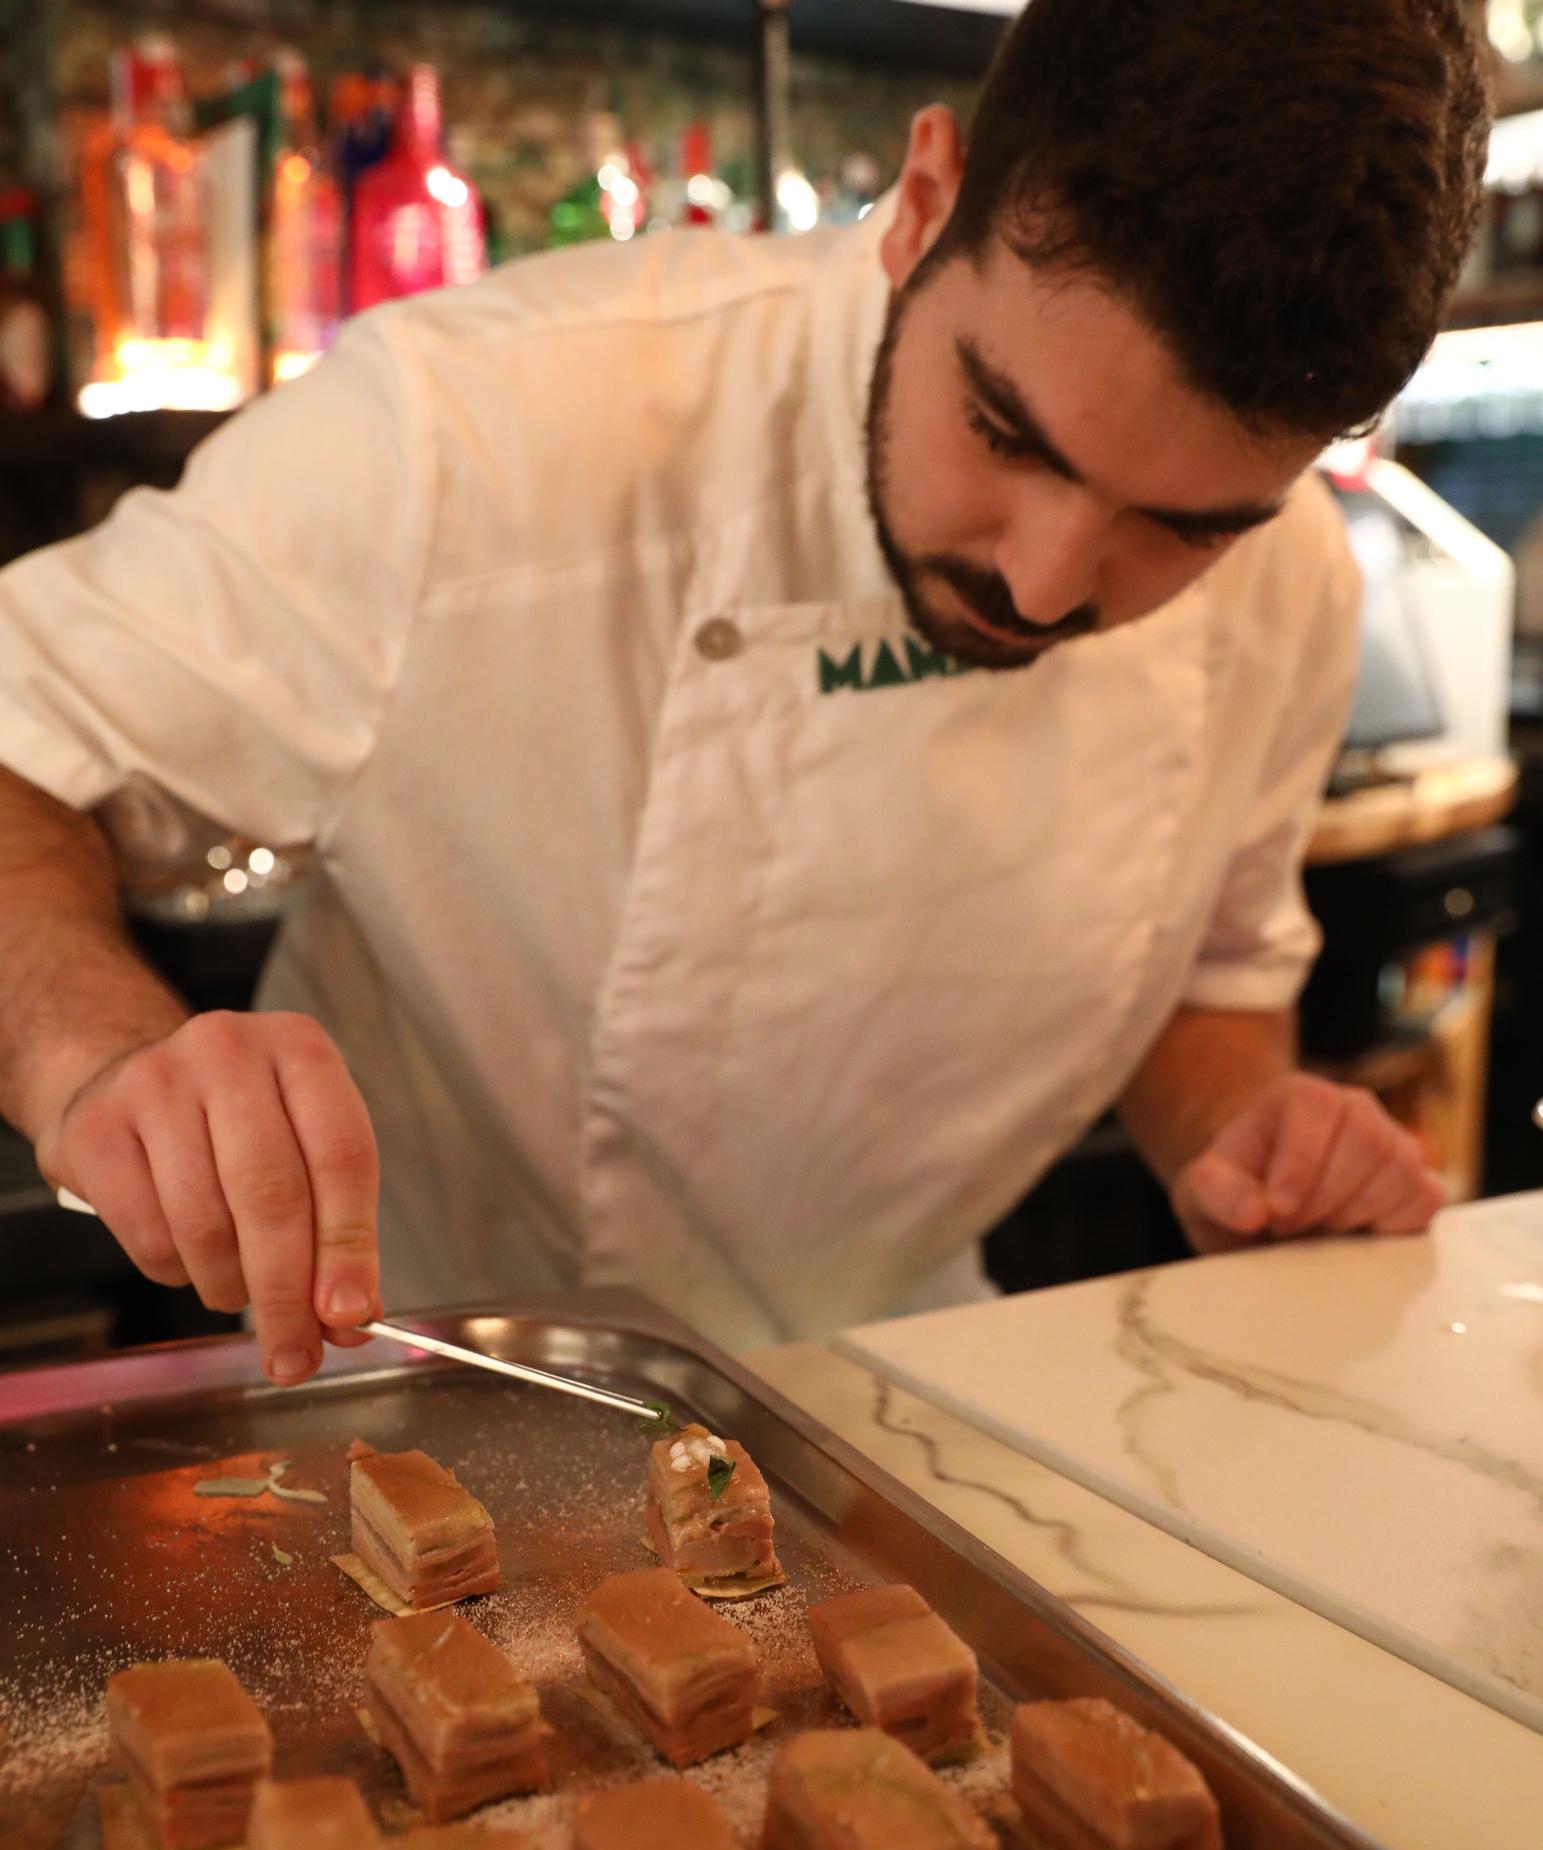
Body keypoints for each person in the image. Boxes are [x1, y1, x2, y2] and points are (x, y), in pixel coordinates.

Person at [0, 0, 1488, 1382]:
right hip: (428, 1375)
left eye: (1185, 527)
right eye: (1005, 432)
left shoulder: (1297, 590)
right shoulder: (472, 436)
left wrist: (1245, 1127)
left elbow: (1203, 980)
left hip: (902, 1397)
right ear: (923, 200)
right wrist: (98, 1051)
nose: (1043, 585)